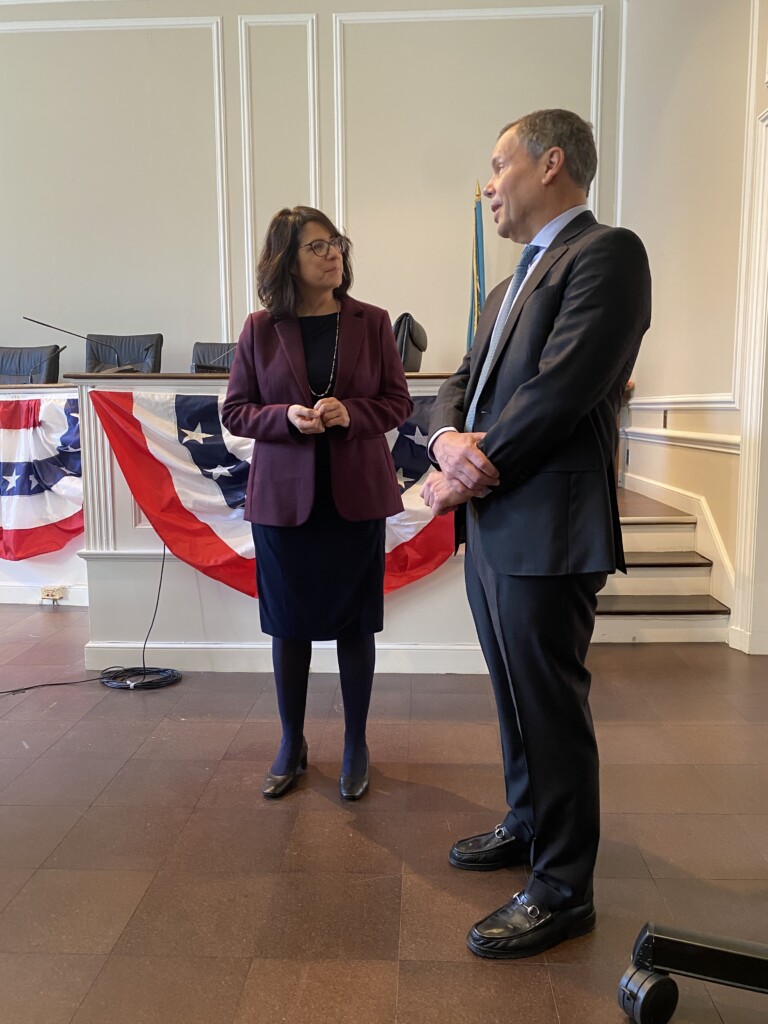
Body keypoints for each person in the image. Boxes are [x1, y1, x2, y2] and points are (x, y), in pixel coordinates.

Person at [422, 109, 651, 959]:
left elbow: (561, 391)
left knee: (550, 704)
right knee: (514, 694)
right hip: (493, 522)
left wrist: (463, 472)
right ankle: (528, 822)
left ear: (550, 164)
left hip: (548, 521)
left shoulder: (607, 255)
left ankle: (563, 890)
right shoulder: (504, 284)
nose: (487, 185)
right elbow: (459, 383)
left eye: (496, 166)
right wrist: (445, 439)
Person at [222, 205, 412, 801]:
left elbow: (398, 402)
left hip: (353, 497)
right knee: (289, 628)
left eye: (336, 244)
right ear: (287, 261)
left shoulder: (372, 321)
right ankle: (291, 741)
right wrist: (284, 418)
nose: (333, 255)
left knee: (357, 627)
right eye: (317, 247)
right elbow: (234, 411)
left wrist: (353, 412)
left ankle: (356, 743)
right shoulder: (259, 329)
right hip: (285, 505)